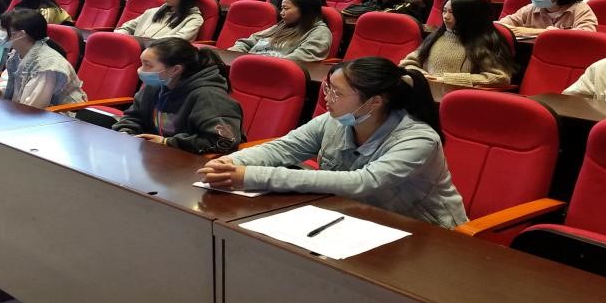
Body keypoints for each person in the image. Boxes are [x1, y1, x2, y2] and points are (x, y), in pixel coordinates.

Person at [200, 57, 467, 228]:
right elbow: (284, 148)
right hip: (359, 219)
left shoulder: (418, 139)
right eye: (327, 89)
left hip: (426, 231)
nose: (327, 98)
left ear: (374, 101)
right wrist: (231, 161)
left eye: (337, 93)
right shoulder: (334, 120)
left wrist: (251, 176)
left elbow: (362, 182)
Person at [105, 38, 244, 152]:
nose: (140, 70)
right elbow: (133, 117)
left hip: (191, 164)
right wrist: (125, 133)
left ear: (175, 70)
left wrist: (167, 142)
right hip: (156, 157)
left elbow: (225, 141)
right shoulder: (155, 86)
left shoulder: (210, 97)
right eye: (142, 64)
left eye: (148, 65)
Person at [400, 0, 513, 87]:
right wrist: (420, 75)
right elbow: (408, 63)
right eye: (444, 11)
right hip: (426, 95)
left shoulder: (483, 42)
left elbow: (500, 77)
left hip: (462, 99)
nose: (445, 16)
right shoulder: (436, 36)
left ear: (469, 16)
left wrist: (448, 79)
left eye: (452, 13)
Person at [0, 9, 87, 109]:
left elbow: (33, 107)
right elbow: (12, 82)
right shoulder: (18, 52)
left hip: (58, 115)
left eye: (3, 29)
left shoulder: (46, 65)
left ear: (21, 34)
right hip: (22, 110)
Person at [229, 0, 332, 62]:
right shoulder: (284, 24)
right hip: (250, 63)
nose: (281, 13)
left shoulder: (320, 32)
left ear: (305, 11)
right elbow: (250, 41)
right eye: (281, 8)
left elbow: (298, 59)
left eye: (286, 9)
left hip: (274, 73)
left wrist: (257, 63)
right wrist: (233, 53)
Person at [116, 0, 204, 40]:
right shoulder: (152, 11)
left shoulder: (194, 18)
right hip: (135, 48)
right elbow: (126, 27)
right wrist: (121, 36)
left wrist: (140, 41)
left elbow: (179, 40)